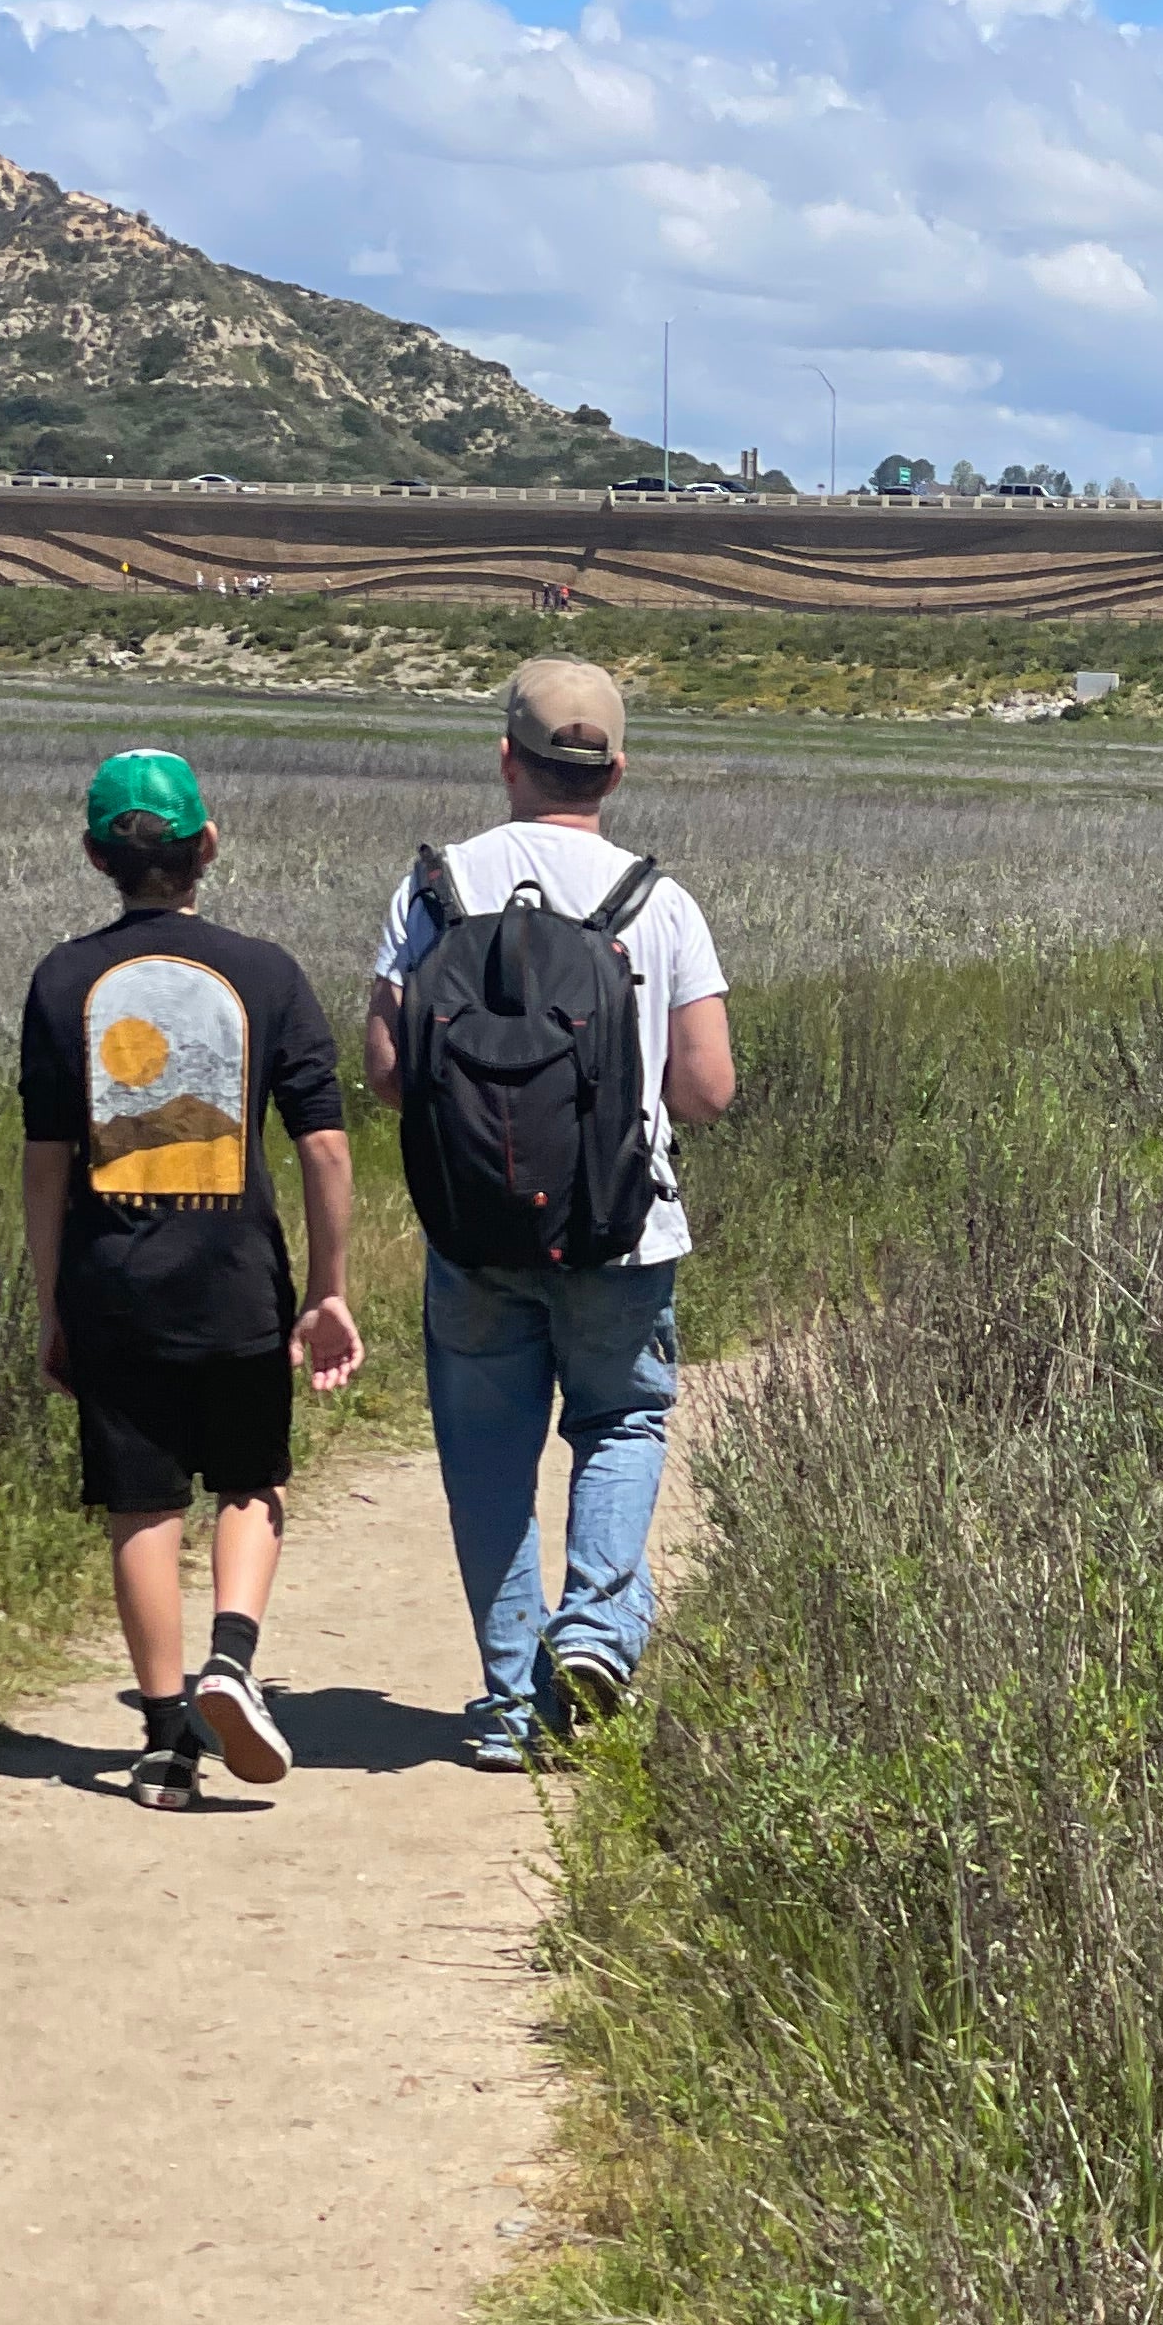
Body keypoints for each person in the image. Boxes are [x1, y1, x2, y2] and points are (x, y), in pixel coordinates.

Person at [365, 658, 734, 1769]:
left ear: (506, 760)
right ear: (615, 772)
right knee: (620, 1423)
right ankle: (595, 1635)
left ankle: (508, 1713)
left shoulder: (434, 890)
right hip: (624, 1228)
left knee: (488, 1464)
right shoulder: (659, 902)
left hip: (473, 1231)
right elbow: (707, 1089)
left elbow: (386, 1072)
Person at [20, 748, 363, 1812]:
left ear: (95, 857)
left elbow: (45, 1164)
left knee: (141, 1505)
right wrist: (328, 1288)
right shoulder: (266, 972)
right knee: (251, 1479)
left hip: (112, 1285)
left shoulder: (62, 980)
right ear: (208, 843)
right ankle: (233, 1659)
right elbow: (325, 1146)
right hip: (237, 1280)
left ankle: (167, 1740)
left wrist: (51, 1303)